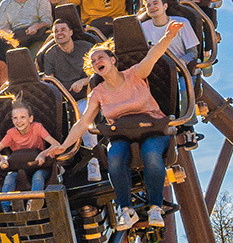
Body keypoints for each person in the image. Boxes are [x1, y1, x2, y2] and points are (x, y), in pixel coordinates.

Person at [74, 22, 188, 230]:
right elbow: (83, 121)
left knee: (151, 154)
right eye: (93, 60)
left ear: (112, 60)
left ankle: (155, 206)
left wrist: (168, 36)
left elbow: (153, 56)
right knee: (115, 158)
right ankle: (126, 210)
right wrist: (63, 146)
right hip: (122, 133)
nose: (97, 61)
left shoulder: (134, 74)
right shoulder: (98, 92)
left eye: (101, 57)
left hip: (151, 127)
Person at [0, 102, 67, 206]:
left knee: (38, 176)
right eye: (15, 118)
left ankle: (34, 203)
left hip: (39, 166)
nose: (19, 121)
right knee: (9, 178)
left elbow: (56, 144)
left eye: (22, 117)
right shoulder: (11, 133)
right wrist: (2, 158)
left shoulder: (37, 127)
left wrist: (43, 154)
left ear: (30, 119)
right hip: (19, 167)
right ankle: (5, 207)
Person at [139, 0, 203, 68]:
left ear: (165, 6)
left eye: (155, 3)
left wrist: (183, 61)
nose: (152, 7)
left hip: (179, 68)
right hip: (156, 69)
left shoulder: (182, 22)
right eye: (148, 6)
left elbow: (192, 52)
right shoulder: (143, 27)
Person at [39, 23, 95, 95]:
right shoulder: (50, 54)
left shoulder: (87, 47)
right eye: (56, 31)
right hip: (67, 96)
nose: (59, 33)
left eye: (63, 30)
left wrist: (83, 82)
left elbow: (99, 73)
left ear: (71, 32)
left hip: (91, 91)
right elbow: (50, 81)